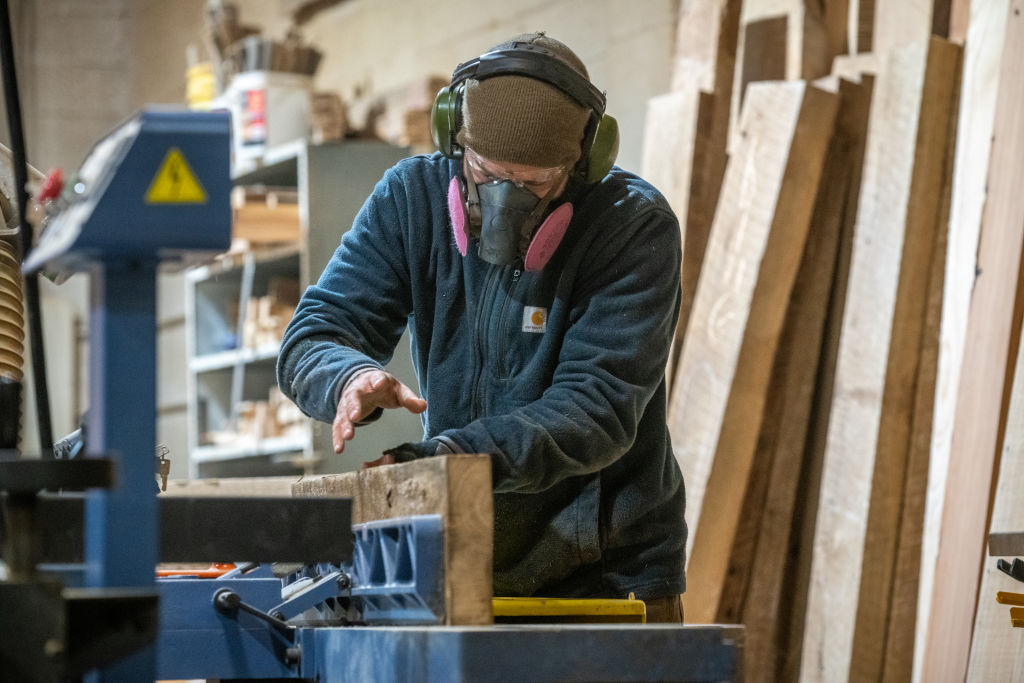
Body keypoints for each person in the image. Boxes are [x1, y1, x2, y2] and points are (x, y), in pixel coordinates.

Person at [276, 32, 687, 622]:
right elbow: (316, 332)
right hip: (458, 561)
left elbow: (595, 410)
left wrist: (449, 457)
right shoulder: (411, 199)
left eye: (533, 184)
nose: (504, 205)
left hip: (605, 578)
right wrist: (346, 378)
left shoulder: (631, 228)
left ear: (585, 162)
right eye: (486, 173)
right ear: (453, 139)